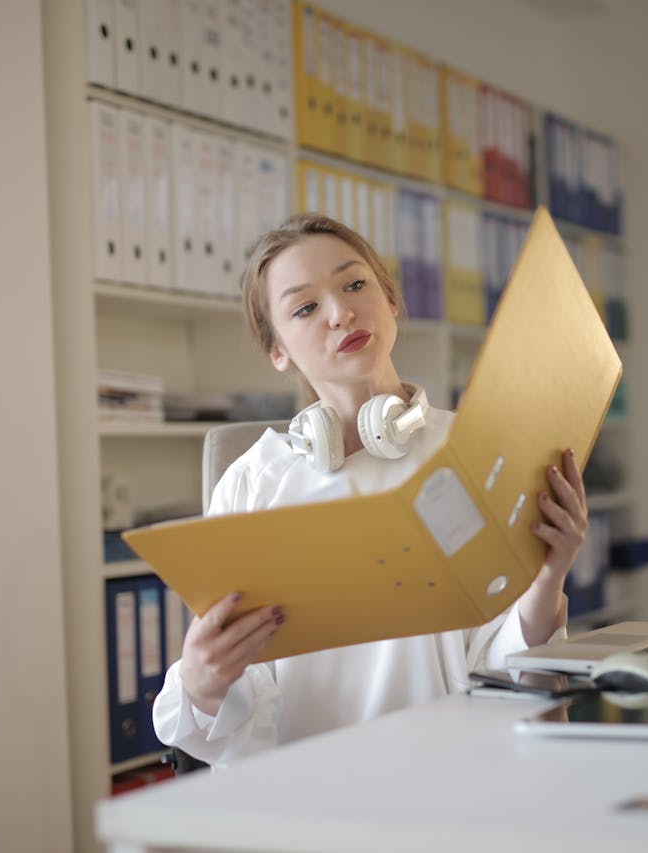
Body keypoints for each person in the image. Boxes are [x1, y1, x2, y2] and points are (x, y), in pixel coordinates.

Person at [152, 213, 589, 767]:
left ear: (391, 300)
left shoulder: (477, 451)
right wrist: (203, 679)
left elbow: (514, 681)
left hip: (458, 776)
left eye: (355, 284)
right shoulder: (253, 481)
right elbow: (240, 712)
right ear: (278, 351)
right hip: (315, 792)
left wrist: (548, 579)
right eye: (305, 308)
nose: (341, 313)